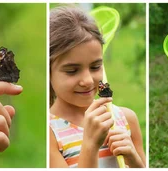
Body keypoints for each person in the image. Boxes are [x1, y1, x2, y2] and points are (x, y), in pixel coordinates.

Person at [48, 6, 145, 168]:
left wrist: (134, 159)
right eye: (72, 71)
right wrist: (90, 145)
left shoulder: (126, 119)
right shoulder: (50, 134)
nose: (87, 80)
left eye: (95, 67)